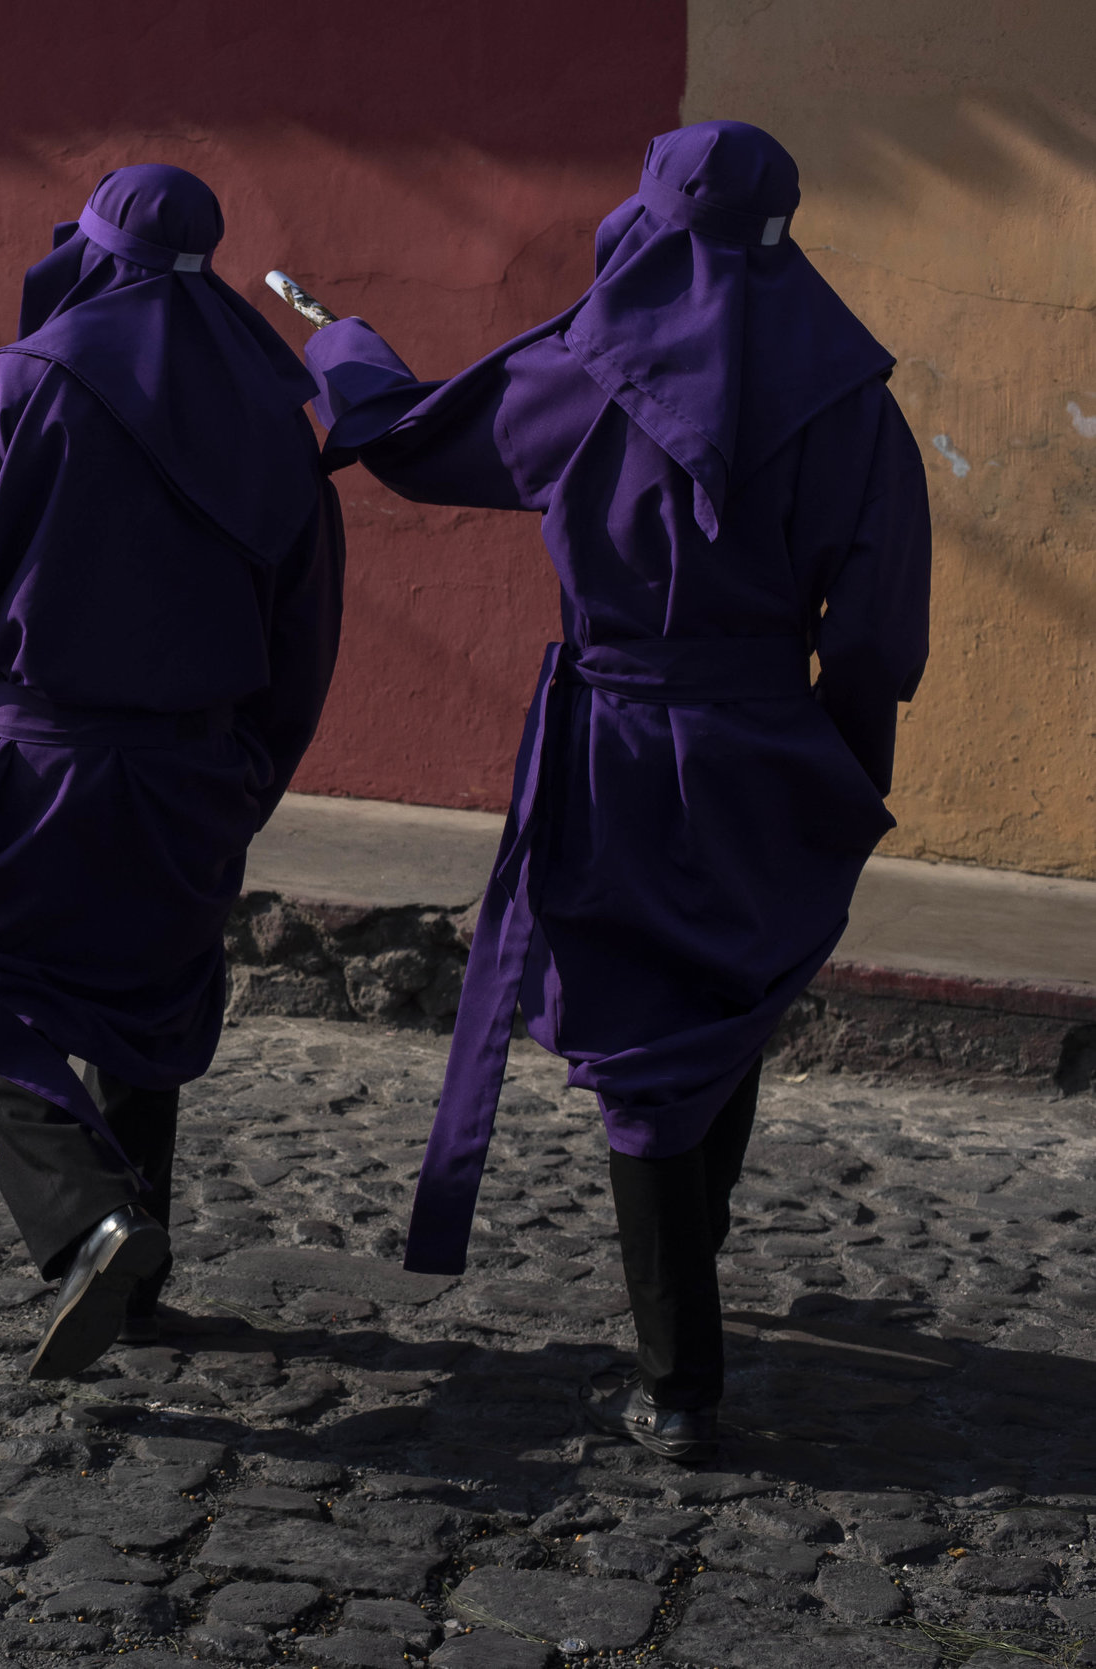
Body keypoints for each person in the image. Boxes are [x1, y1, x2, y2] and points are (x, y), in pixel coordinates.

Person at [298, 121, 931, 1459]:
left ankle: (681, 1377)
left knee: (644, 1043)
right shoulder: (858, 401)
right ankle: (682, 1291)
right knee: (723, 1000)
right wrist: (844, 773)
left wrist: (340, 346)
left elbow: (413, 440)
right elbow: (873, 634)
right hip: (771, 743)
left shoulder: (584, 365)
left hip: (624, 740)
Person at [0, 164, 345, 1380]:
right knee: (144, 1004)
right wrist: (247, 772)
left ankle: (90, 1217)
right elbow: (305, 624)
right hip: (192, 768)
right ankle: (140, 1294)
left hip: (36, 757)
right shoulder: (273, 417)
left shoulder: (23, 383)